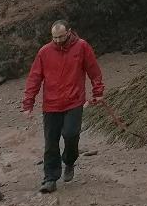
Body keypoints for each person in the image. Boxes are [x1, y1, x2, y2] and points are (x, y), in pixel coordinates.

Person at [21, 20, 105, 194]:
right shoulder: (44, 52)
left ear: (69, 32)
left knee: (71, 134)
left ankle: (69, 161)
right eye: (54, 38)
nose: (58, 41)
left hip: (74, 102)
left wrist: (98, 92)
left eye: (60, 37)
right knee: (51, 143)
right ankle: (50, 179)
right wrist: (28, 103)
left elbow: (94, 70)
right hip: (51, 105)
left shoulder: (82, 47)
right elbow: (34, 78)